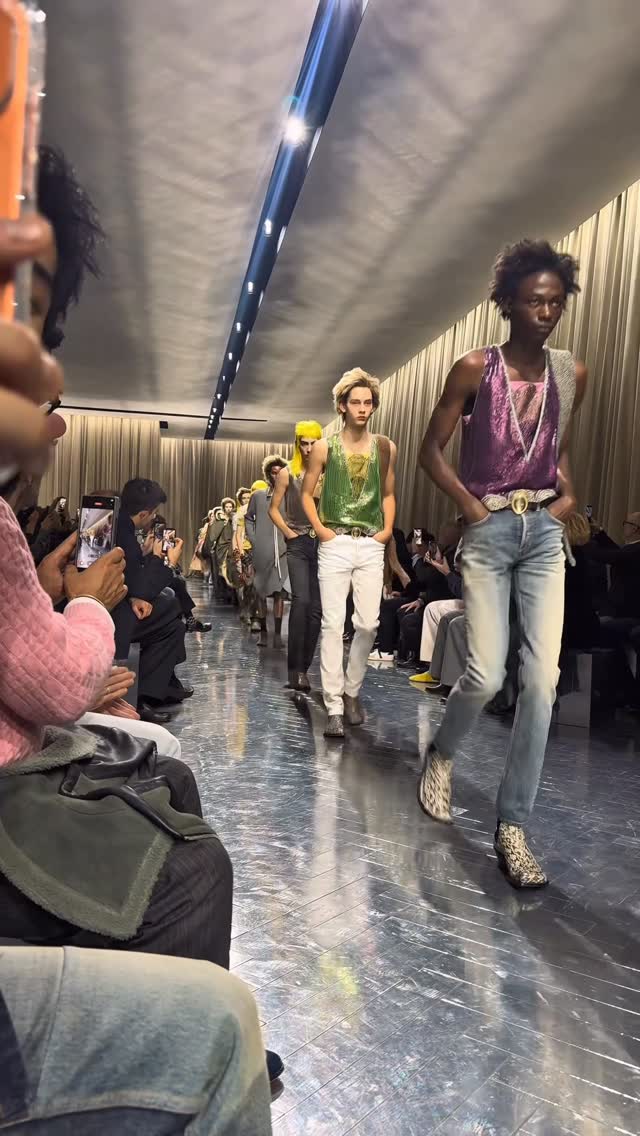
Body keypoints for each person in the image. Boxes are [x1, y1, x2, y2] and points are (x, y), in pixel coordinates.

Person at [418, 239, 587, 888]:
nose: (546, 313)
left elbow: (556, 450)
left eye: (556, 302)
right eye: (534, 301)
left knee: (542, 680)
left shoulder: (570, 373)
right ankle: (442, 753)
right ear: (508, 303)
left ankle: (513, 825)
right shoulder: (473, 368)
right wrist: (470, 507)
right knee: (487, 672)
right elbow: (431, 451)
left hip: (543, 534)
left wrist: (566, 500)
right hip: (488, 530)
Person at [302, 368, 397, 738]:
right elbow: (307, 493)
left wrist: (385, 533)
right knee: (331, 624)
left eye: (367, 402)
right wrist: (322, 531)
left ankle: (352, 690)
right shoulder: (324, 447)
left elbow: (388, 493)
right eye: (355, 402)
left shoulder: (385, 447)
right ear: (342, 406)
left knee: (368, 623)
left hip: (370, 542)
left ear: (373, 406)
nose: (362, 408)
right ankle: (334, 706)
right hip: (336, 542)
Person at [111, 479, 190, 723]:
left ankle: (155, 693)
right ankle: (145, 697)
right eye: (154, 513)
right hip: (113, 615)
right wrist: (166, 562)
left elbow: (132, 577)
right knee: (171, 614)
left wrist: (145, 553)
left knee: (172, 618)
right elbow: (143, 589)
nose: (154, 517)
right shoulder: (124, 533)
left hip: (116, 605)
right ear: (144, 513)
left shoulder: (118, 524)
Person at [269, 421, 323, 691]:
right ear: (297, 444)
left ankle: (304, 668)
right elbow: (273, 508)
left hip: (323, 543)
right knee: (301, 602)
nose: (309, 448)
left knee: (317, 610)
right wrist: (288, 533)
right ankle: (295, 671)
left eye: (314, 443)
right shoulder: (288, 472)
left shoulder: (327, 473)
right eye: (304, 443)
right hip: (298, 542)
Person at [246, 456, 289, 648]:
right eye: (273, 472)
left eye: (280, 472)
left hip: (283, 551)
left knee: (280, 593)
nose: (277, 476)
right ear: (268, 474)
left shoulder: (289, 497)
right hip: (262, 550)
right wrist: (254, 540)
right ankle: (263, 633)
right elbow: (249, 518)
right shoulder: (258, 496)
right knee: (261, 591)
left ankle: (277, 635)